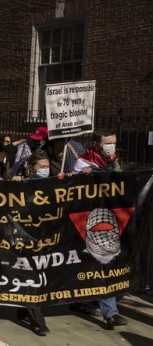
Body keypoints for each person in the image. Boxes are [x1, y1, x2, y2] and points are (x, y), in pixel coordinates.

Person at [71, 130, 127, 328]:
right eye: (107, 143)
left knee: (99, 264)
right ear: (96, 145)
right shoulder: (83, 163)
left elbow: (120, 183)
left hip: (109, 221)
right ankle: (106, 311)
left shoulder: (113, 161)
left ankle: (95, 307)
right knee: (96, 264)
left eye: (113, 142)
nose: (111, 146)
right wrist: (86, 175)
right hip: (87, 221)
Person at [14, 151, 52, 335]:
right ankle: (38, 321)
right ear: (31, 168)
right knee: (31, 277)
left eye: (47, 167)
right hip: (25, 238)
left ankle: (23, 309)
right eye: (41, 167)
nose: (46, 170)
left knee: (40, 276)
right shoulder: (20, 183)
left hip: (45, 239)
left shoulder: (53, 184)